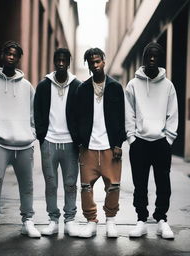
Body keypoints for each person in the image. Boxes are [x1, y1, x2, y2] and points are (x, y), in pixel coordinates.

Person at [0, 41, 41, 239]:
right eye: (8, 53)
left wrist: (32, 134)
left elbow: (34, 113)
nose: (11, 57)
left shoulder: (26, 86)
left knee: (27, 184)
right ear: (3, 56)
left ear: (18, 59)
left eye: (15, 55)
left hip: (24, 144)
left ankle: (27, 221)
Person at [125, 42, 178, 239]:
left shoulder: (168, 86)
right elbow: (128, 113)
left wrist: (168, 139)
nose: (152, 59)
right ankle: (141, 220)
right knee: (140, 184)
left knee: (163, 182)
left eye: (156, 56)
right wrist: (131, 138)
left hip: (161, 143)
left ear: (160, 60)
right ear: (144, 59)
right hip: (139, 142)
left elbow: (173, 114)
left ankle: (162, 220)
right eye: (149, 56)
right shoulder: (133, 84)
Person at [75, 48, 125, 238]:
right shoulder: (83, 88)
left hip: (110, 147)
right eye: (91, 62)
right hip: (88, 146)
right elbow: (76, 117)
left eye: (98, 61)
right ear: (87, 65)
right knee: (86, 187)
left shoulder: (115, 87)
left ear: (104, 61)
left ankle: (110, 221)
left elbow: (121, 117)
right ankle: (91, 221)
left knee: (113, 186)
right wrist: (80, 140)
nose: (95, 65)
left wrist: (119, 143)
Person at [34, 48, 81, 236]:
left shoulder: (77, 85)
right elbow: (37, 112)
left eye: (64, 60)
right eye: (57, 60)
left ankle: (70, 220)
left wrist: (79, 139)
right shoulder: (44, 85)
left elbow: (82, 114)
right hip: (49, 142)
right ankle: (53, 220)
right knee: (51, 183)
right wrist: (41, 136)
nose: (61, 63)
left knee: (70, 184)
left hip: (70, 143)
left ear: (68, 62)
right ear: (54, 61)